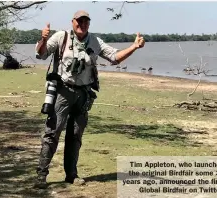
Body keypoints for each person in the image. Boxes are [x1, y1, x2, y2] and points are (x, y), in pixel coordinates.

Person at [34, 10, 145, 189]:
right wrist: (44, 39)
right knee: (52, 133)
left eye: (86, 21)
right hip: (62, 92)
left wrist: (134, 47)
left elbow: (114, 58)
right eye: (79, 21)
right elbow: (41, 54)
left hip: (84, 94)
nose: (82, 24)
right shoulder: (61, 36)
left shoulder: (95, 41)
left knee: (75, 135)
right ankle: (41, 175)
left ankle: (71, 175)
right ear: (73, 22)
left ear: (89, 24)